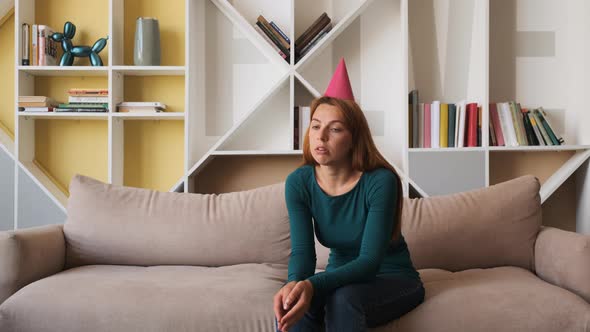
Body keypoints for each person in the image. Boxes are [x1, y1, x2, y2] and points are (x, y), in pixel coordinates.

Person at [273, 58, 424, 332]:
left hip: (392, 279)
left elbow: (368, 263)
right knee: (293, 303)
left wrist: (312, 284)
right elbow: (303, 254)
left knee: (343, 300)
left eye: (335, 129)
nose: (321, 137)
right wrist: (295, 286)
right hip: (339, 279)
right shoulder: (298, 182)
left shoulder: (381, 181)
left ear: (354, 138)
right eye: (316, 126)